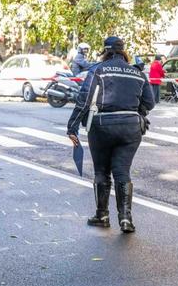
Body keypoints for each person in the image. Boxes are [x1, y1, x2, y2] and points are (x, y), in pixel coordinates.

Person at [66, 36, 155, 233]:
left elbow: (85, 99)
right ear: (124, 51)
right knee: (122, 171)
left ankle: (102, 215)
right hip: (131, 128)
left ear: (105, 51)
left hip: (102, 126)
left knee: (102, 172)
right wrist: (132, 109)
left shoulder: (98, 69)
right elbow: (150, 103)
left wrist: (72, 126)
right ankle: (126, 219)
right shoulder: (137, 73)